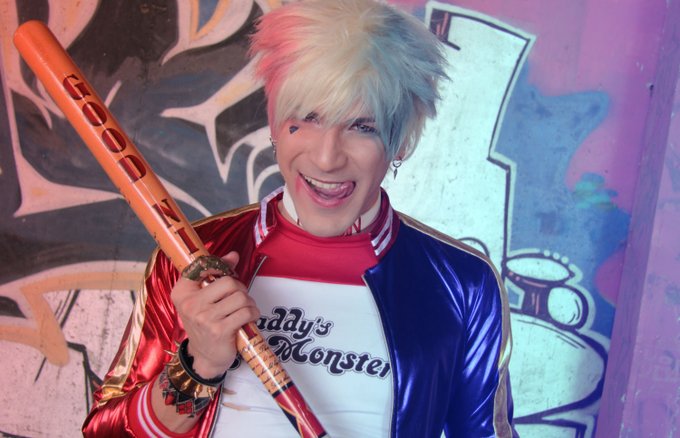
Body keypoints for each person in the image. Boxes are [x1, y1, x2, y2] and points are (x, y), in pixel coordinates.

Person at [82, 0, 516, 436]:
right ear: (275, 123)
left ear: (399, 142)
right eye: (307, 119)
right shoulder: (194, 258)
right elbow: (106, 434)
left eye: (362, 127)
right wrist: (200, 365)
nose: (327, 158)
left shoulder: (462, 284)